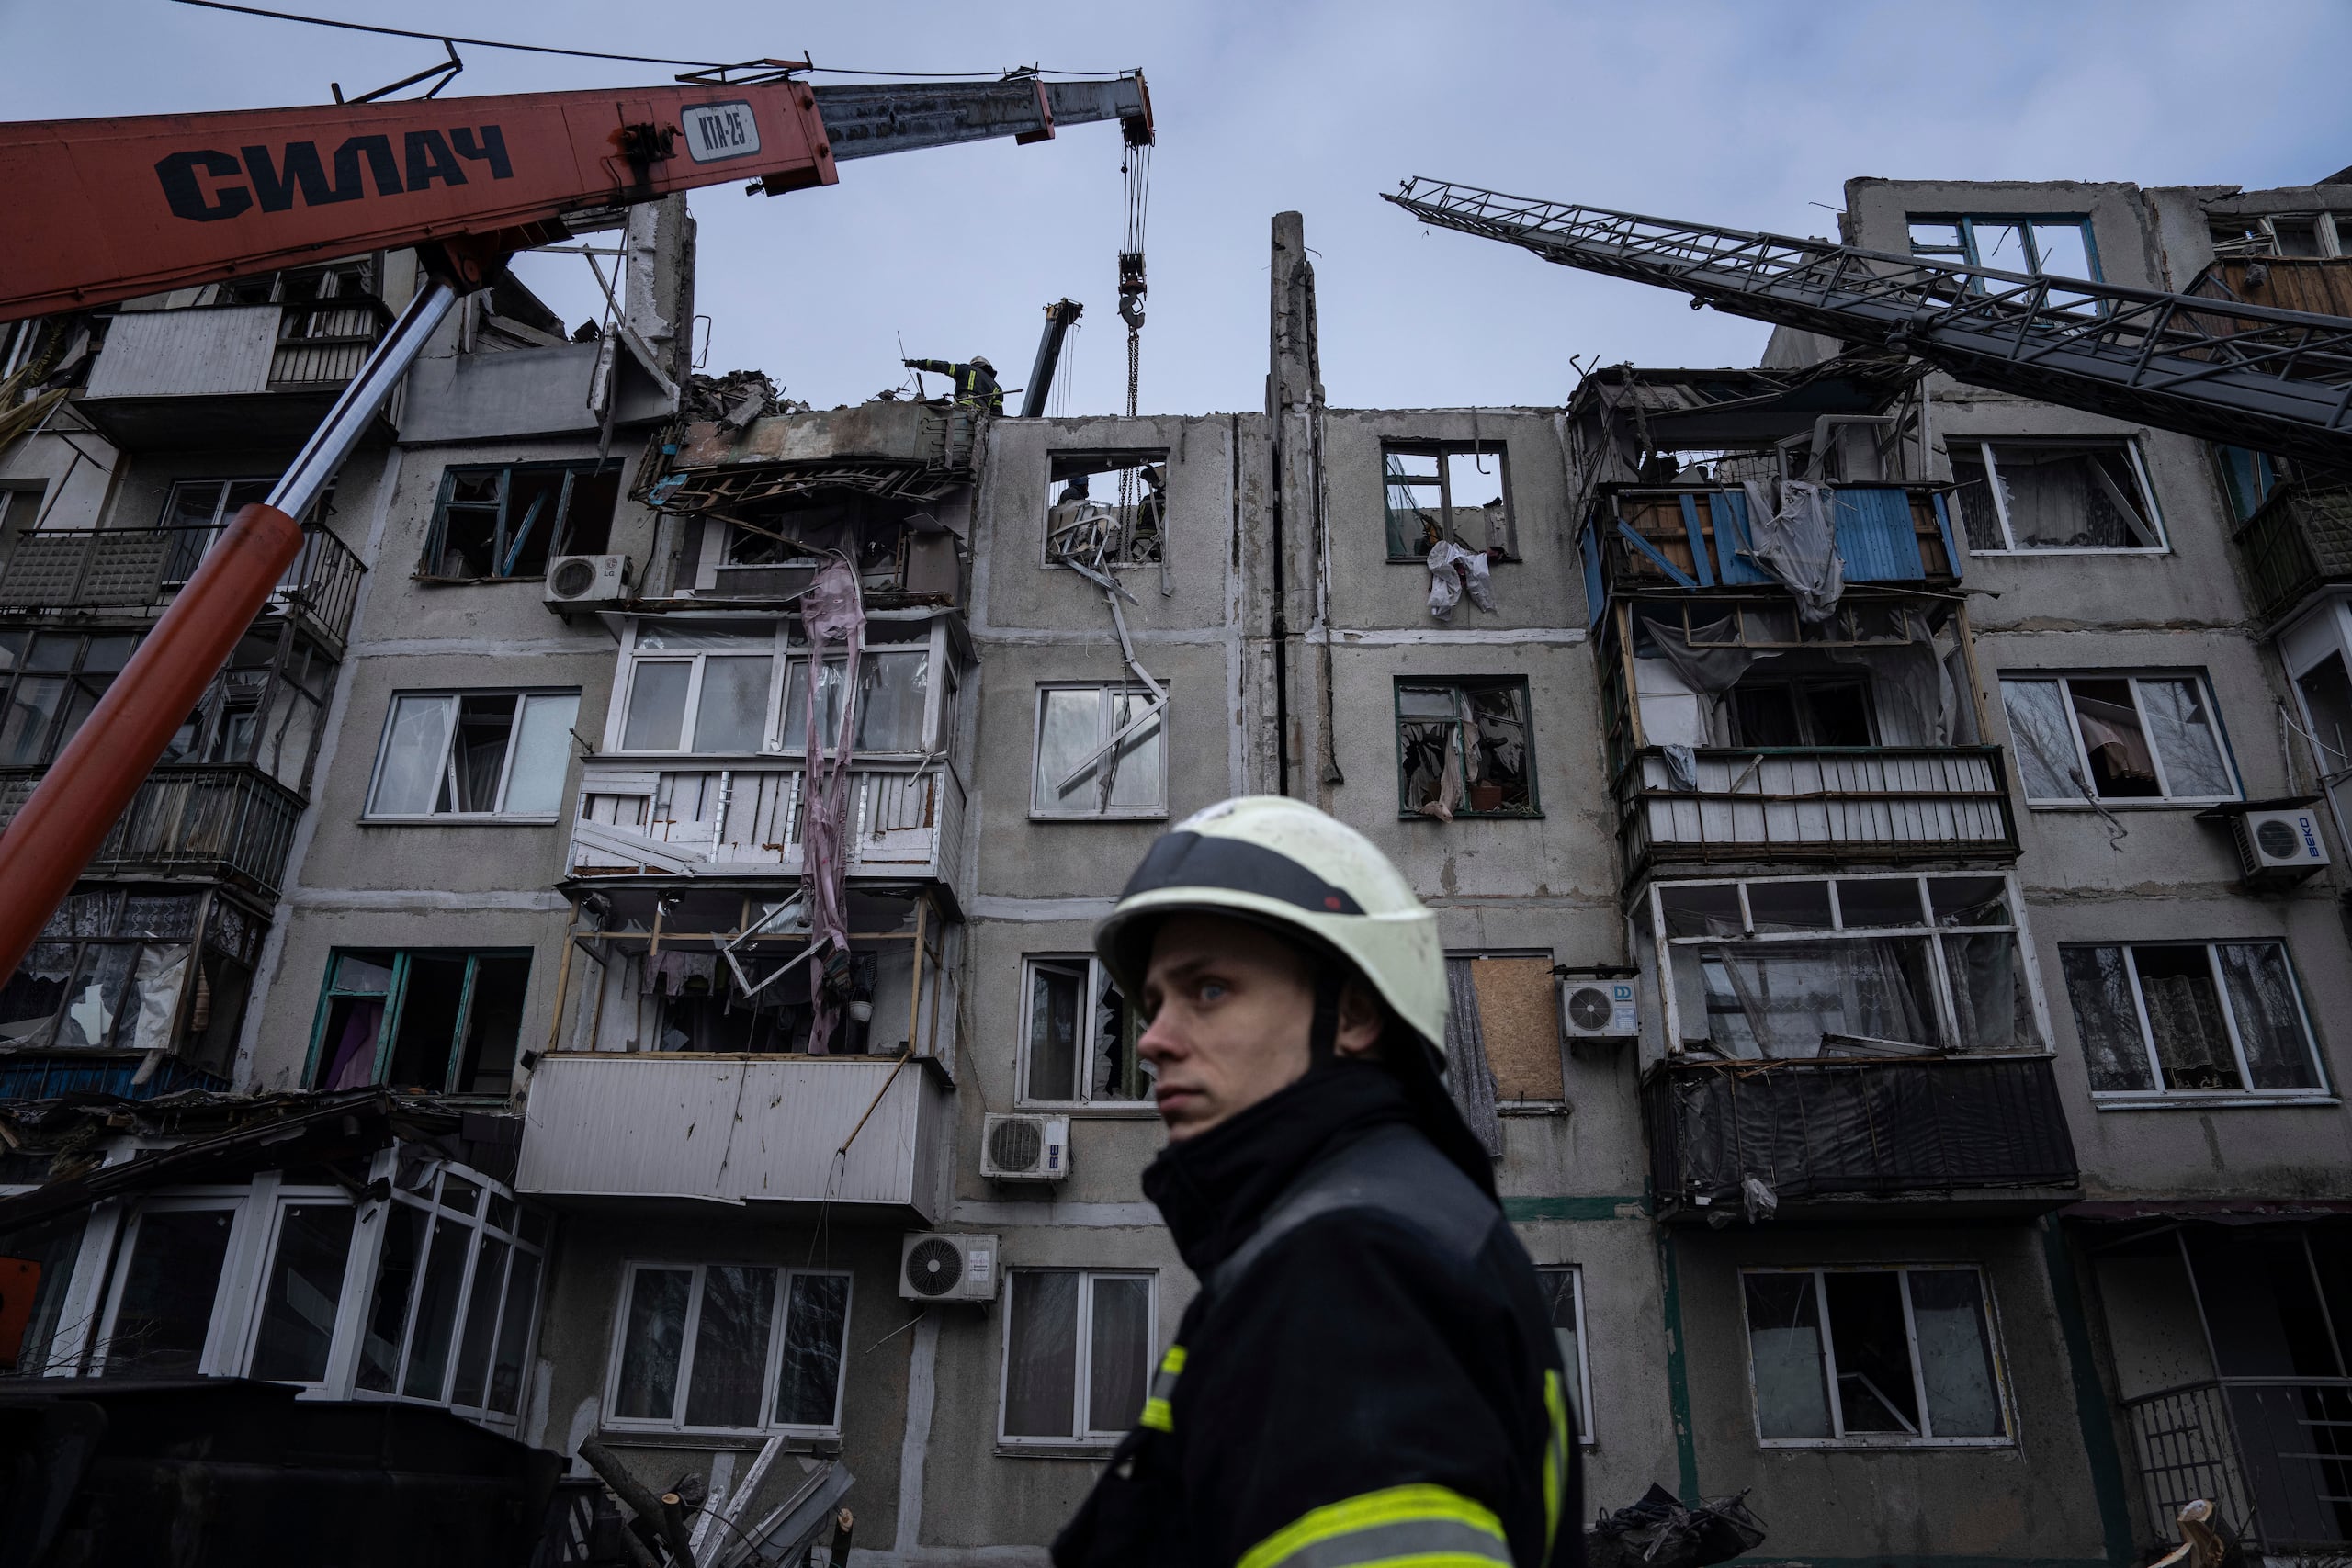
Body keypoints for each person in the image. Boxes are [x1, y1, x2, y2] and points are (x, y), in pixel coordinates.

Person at [1053, 796, 1580, 1568]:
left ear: (1354, 1013)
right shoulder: (1397, 1223)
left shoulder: (1353, 1259)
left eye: (1208, 990)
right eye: (1155, 1002)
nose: (1153, 1042)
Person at [902, 354, 1002, 413]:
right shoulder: (997, 388)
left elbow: (940, 366)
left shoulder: (966, 369)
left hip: (962, 408)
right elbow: (997, 414)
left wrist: (915, 363)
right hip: (981, 416)